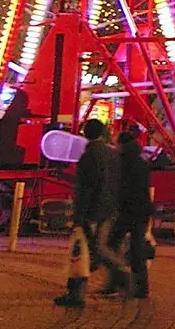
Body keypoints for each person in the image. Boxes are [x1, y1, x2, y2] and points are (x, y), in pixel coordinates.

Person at [55, 119, 127, 307]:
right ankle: (119, 275)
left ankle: (78, 294)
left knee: (82, 250)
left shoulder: (88, 156)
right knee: (95, 248)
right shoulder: (113, 154)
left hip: (92, 210)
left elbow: (85, 189)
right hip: (109, 207)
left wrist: (78, 215)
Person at [106, 122, 153, 300]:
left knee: (110, 245)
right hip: (142, 209)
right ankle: (141, 288)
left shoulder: (120, 162)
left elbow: (118, 187)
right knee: (137, 248)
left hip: (126, 209)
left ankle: (118, 280)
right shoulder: (141, 162)